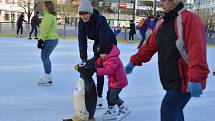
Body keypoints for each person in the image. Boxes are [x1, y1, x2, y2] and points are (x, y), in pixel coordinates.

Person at [125, 0, 209, 121]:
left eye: (164, 0)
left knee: (168, 111)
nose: (161, 3)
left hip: (185, 81)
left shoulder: (189, 20)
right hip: (170, 79)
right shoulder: (161, 22)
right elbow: (149, 47)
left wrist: (196, 78)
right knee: (175, 113)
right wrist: (134, 61)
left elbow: (197, 51)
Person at [78, 0, 117, 108]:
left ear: (90, 12)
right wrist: (83, 58)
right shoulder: (81, 23)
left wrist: (103, 51)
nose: (83, 16)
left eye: (85, 13)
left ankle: (102, 96)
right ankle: (97, 94)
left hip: (109, 42)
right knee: (97, 66)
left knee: (105, 68)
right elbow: (82, 41)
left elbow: (104, 36)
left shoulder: (100, 20)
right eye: (81, 13)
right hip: (98, 42)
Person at [95, 42, 130, 120]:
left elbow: (108, 70)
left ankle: (124, 108)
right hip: (113, 81)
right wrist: (94, 64)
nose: (100, 56)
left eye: (101, 54)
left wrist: (96, 70)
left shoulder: (113, 59)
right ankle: (112, 111)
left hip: (118, 82)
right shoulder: (106, 57)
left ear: (107, 52)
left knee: (113, 97)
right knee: (109, 95)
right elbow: (100, 61)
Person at [37, 1, 58, 85]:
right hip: (52, 39)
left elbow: (45, 29)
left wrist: (41, 40)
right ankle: (48, 76)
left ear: (46, 7)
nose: (42, 7)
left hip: (49, 39)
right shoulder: (51, 15)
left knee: (44, 57)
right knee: (46, 57)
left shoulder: (48, 16)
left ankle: (48, 77)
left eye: (43, 5)